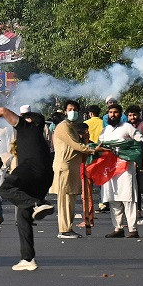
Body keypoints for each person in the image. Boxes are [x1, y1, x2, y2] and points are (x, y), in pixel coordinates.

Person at [0, 106, 56, 271]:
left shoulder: (27, 127)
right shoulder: (38, 136)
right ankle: (28, 259)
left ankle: (36, 204)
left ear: (29, 120)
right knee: (22, 216)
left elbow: (4, 111)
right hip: (46, 175)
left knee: (5, 188)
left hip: (30, 169)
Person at [51, 100, 96, 239]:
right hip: (64, 167)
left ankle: (68, 228)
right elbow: (76, 145)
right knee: (65, 201)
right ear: (65, 111)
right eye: (70, 109)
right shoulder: (63, 126)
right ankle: (64, 230)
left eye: (75, 109)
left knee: (70, 200)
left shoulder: (73, 127)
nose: (73, 112)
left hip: (72, 168)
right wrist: (92, 149)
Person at [100, 104, 143, 238]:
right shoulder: (106, 130)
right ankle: (118, 228)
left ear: (120, 114)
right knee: (113, 198)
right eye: (110, 112)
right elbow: (100, 145)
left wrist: (127, 151)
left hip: (126, 169)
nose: (112, 114)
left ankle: (132, 229)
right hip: (110, 169)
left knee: (128, 199)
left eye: (115, 112)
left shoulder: (127, 127)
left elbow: (140, 141)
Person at [125, 105, 143, 225]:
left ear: (138, 115)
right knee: (134, 189)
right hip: (131, 163)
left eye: (134, 115)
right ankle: (138, 213)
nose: (132, 117)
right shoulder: (127, 127)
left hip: (142, 163)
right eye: (130, 115)